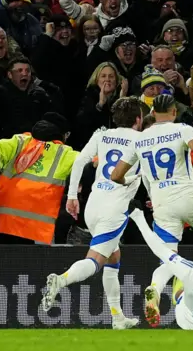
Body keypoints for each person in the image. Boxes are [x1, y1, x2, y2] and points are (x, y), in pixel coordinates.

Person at [110, 94, 193, 328]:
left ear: (152, 113)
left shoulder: (139, 139)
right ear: (174, 112)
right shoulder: (182, 129)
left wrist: (131, 181)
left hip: (162, 204)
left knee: (168, 257)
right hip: (188, 196)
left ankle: (155, 290)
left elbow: (115, 175)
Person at [41, 97, 148, 329]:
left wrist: (71, 196)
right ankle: (60, 280)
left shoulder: (101, 135)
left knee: (113, 258)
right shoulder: (142, 140)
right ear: (138, 119)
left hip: (93, 205)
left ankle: (118, 318)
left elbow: (79, 162)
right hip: (115, 208)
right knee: (96, 260)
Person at [0, 113, 79, 244]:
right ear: (63, 134)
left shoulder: (19, 141)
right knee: (24, 264)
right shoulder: (65, 153)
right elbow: (93, 163)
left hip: (3, 220)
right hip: (34, 227)